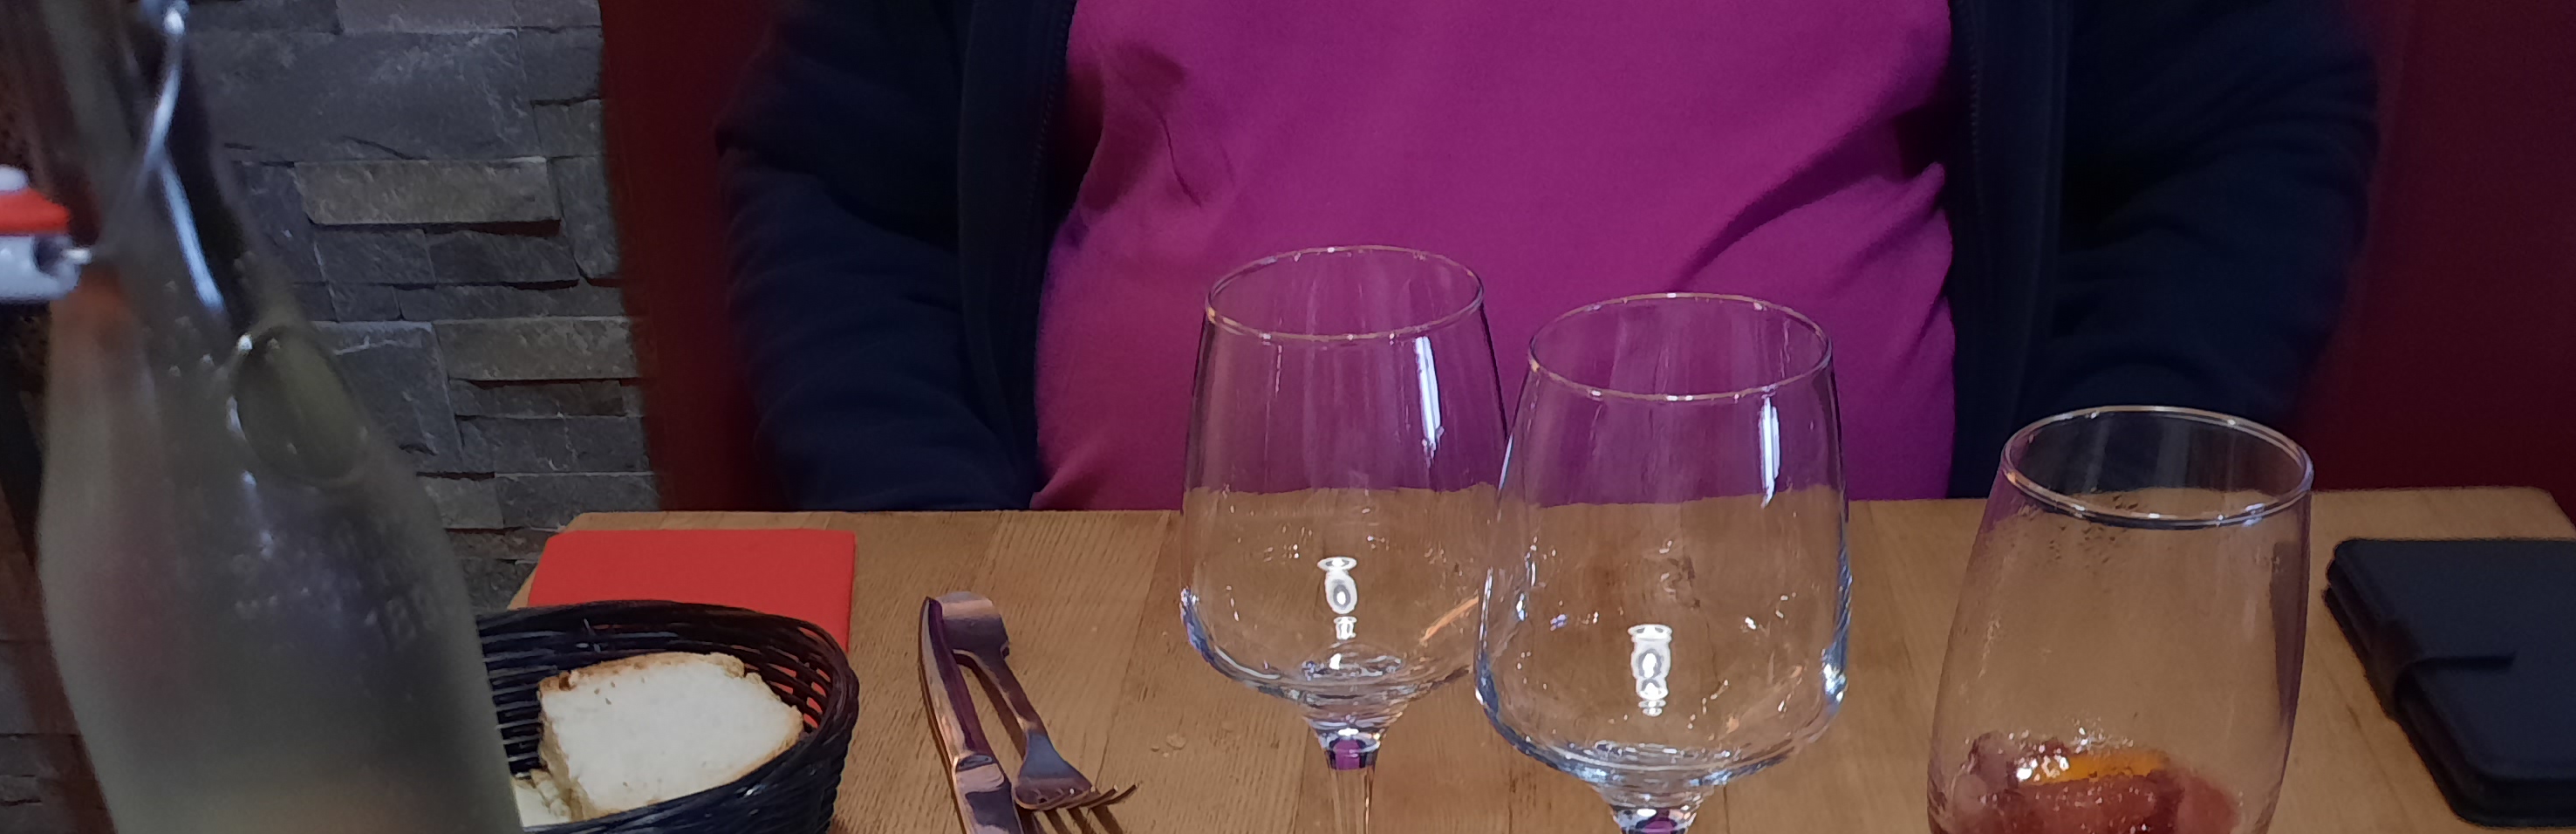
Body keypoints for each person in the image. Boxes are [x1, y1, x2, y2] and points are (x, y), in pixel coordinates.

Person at [721, 0, 2374, 512]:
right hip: (1160, 689)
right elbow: (840, 175)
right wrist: (965, 571)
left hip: (1812, 691)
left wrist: (2072, 531)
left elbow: (2245, 121)